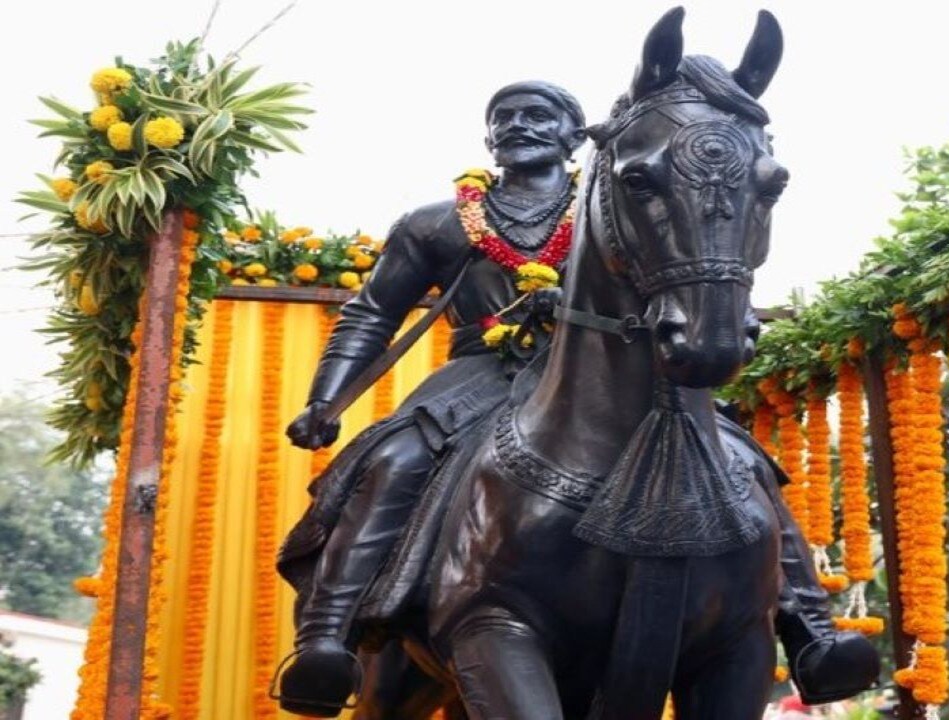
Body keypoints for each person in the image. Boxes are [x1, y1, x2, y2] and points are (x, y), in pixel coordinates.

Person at [274, 81, 875, 717]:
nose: (518, 125)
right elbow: (371, 314)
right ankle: (327, 641)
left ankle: (811, 631)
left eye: (538, 115)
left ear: (572, 136)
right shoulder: (440, 221)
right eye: (503, 117)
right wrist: (327, 398)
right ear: (487, 138)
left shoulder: (608, 201)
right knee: (395, 457)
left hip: (604, 369)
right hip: (483, 372)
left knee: (742, 459)